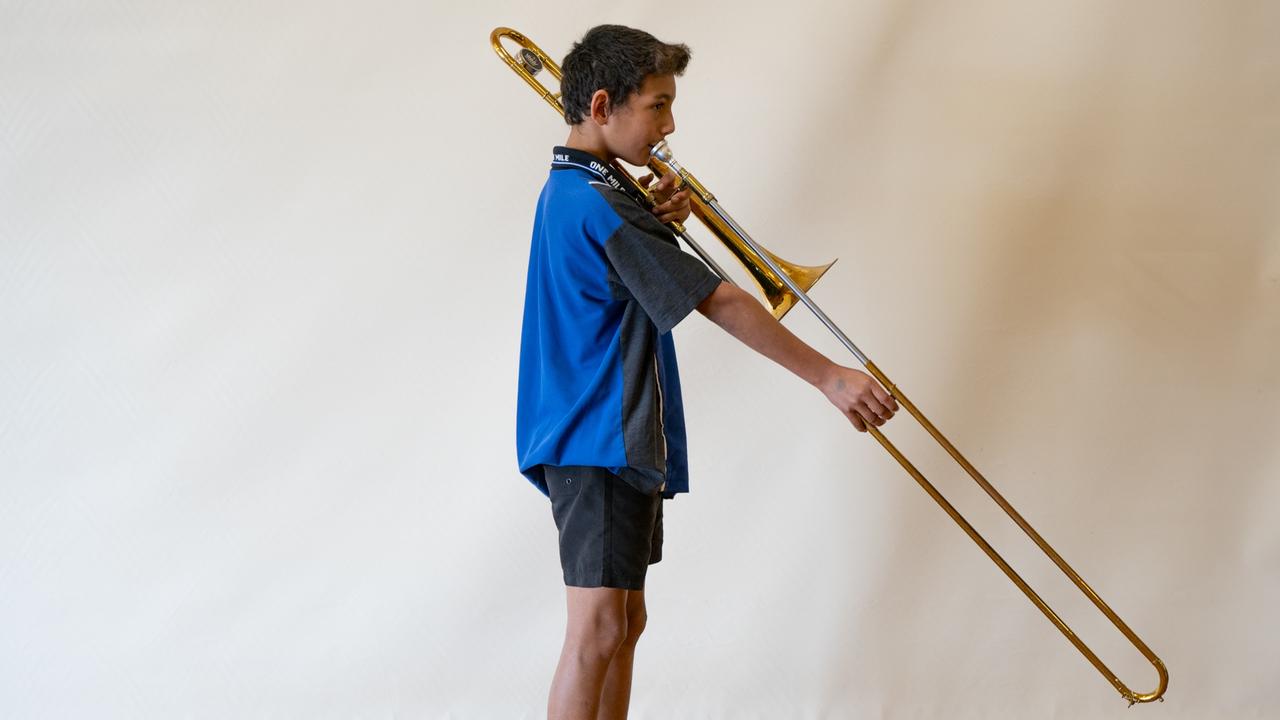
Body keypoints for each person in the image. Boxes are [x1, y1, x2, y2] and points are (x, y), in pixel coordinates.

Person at [515, 24, 898, 720]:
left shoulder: (591, 190)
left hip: (608, 435)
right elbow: (714, 298)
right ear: (602, 106)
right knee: (596, 630)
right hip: (593, 436)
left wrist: (660, 215)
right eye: (658, 105)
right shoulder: (597, 202)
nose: (670, 122)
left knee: (624, 626)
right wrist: (829, 377)